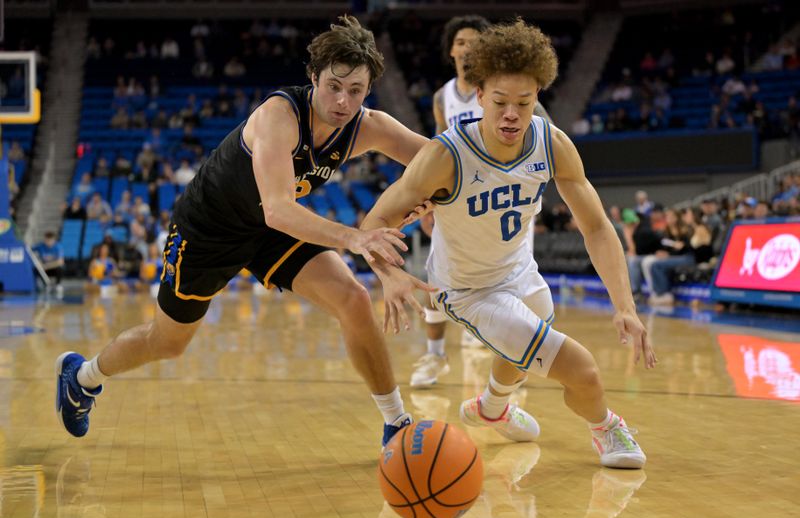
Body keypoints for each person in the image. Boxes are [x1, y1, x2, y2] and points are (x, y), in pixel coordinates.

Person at [55, 16, 433, 448]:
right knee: (168, 342)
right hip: (210, 229)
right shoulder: (280, 115)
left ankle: (396, 423)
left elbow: (437, 161)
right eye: (334, 85)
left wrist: (434, 200)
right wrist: (355, 237)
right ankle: (82, 378)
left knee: (354, 298)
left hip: (269, 229)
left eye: (356, 91)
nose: (343, 101)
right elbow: (277, 209)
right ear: (313, 78)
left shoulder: (370, 126)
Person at [362, 19, 656, 468]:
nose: (512, 114)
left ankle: (492, 407)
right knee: (581, 370)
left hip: (520, 271)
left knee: (521, 348)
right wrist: (390, 274)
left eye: (524, 101)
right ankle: (605, 427)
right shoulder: (445, 156)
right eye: (499, 102)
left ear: (539, 96)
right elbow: (376, 219)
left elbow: (596, 227)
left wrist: (626, 306)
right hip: (468, 289)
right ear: (478, 95)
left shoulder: (551, 143)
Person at [411, 14, 554, 388]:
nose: (467, 47)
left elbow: (543, 133)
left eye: (475, 41)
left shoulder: (509, 89)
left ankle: (505, 375)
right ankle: (434, 356)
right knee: (438, 282)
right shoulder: (444, 96)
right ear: (451, 50)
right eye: (461, 41)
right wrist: (430, 199)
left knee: (514, 285)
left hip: (507, 201)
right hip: (461, 201)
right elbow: (438, 147)